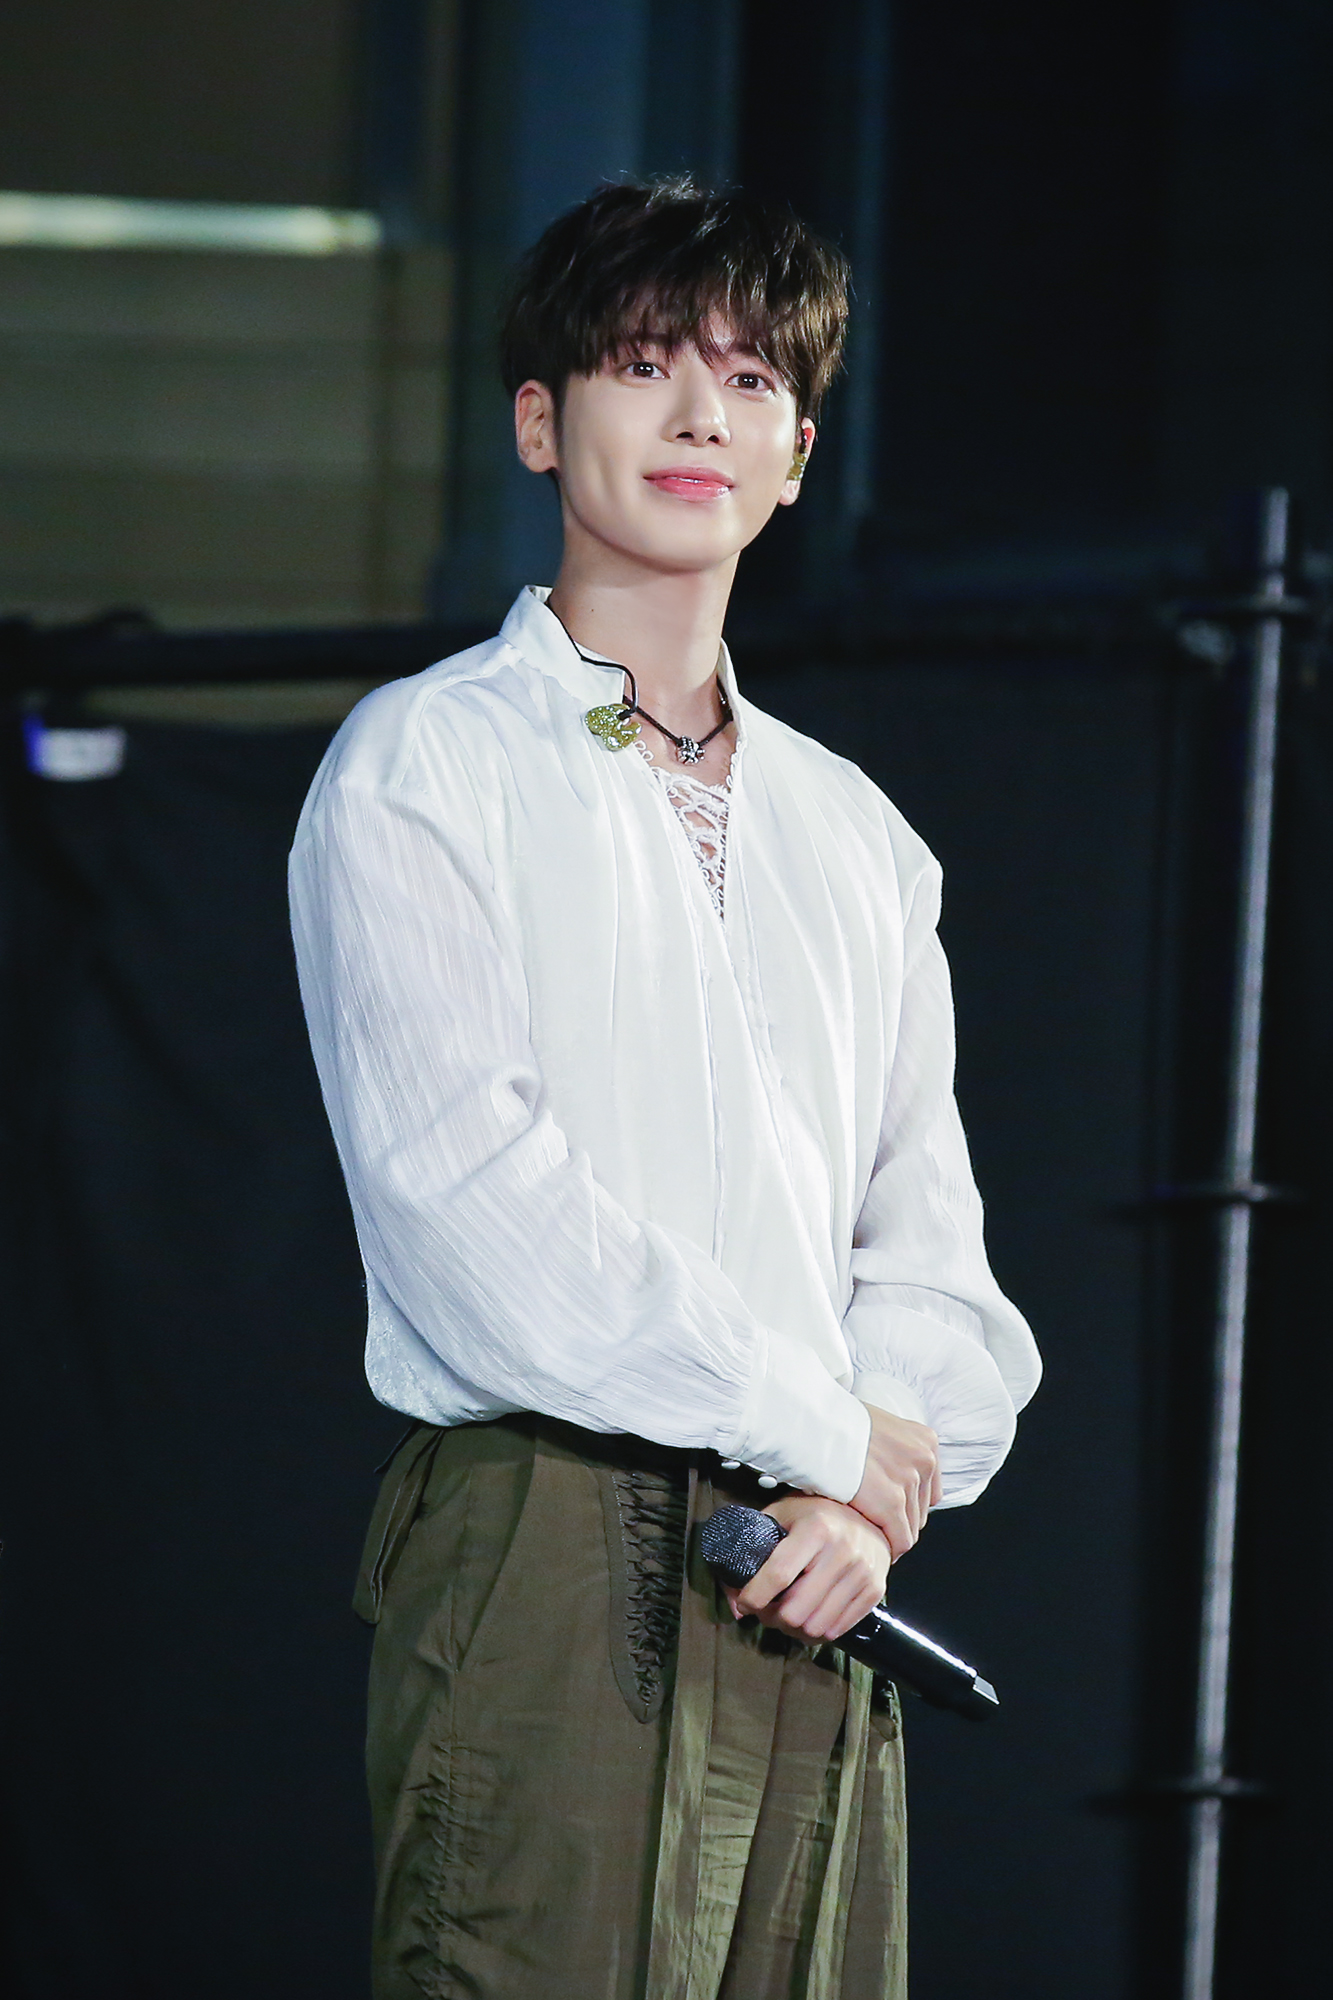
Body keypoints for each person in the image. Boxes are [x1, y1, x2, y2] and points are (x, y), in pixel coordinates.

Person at [289, 176, 1040, 2000]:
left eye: (752, 380)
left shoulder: (854, 833)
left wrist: (862, 1495)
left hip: (813, 1565)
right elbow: (471, 1203)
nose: (703, 413)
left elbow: (927, 1249)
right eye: (643, 366)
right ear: (540, 423)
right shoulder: (426, 762)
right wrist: (820, 1427)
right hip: (552, 1529)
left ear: (795, 458)